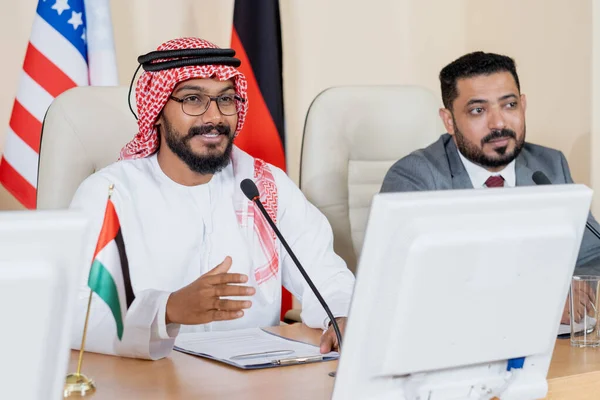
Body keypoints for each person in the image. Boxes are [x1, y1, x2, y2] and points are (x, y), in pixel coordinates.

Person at [69, 37, 355, 360]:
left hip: (255, 387)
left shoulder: (262, 185)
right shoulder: (110, 194)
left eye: (226, 100)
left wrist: (342, 316)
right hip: (151, 385)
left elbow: (327, 274)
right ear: (158, 110)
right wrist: (167, 310)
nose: (215, 117)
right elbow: (71, 310)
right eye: (193, 99)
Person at [381, 51, 600, 325]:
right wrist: (540, 300)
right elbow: (410, 282)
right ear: (449, 120)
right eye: (478, 110)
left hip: (546, 340)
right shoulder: (416, 178)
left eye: (509, 106)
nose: (498, 123)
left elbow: (591, 252)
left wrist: (576, 288)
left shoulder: (548, 166)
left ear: (523, 105)